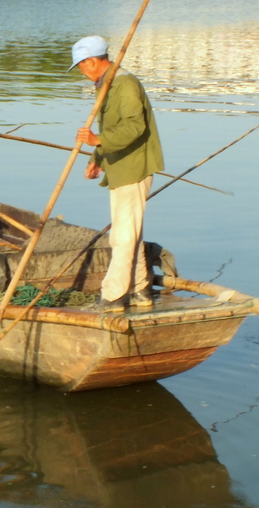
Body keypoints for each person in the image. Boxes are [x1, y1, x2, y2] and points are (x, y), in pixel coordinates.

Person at [70, 35, 164, 312]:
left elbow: (135, 126)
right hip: (120, 165)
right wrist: (97, 157)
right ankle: (139, 290)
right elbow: (113, 125)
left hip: (133, 167)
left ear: (92, 62)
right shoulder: (108, 84)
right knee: (129, 231)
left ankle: (113, 296)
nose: (81, 72)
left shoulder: (124, 83)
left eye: (81, 66)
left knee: (122, 235)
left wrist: (98, 141)